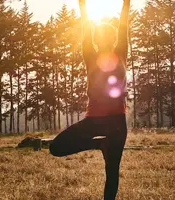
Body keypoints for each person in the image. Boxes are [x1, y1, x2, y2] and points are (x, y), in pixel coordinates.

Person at [49, 0, 130, 199]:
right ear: (112, 40)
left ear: (95, 40)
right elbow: (123, 26)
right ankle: (101, 144)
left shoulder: (91, 55)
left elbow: (87, 27)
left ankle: (99, 144)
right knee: (111, 173)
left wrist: (83, 5)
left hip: (95, 121)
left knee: (56, 147)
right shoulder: (119, 53)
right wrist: (126, 3)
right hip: (117, 123)